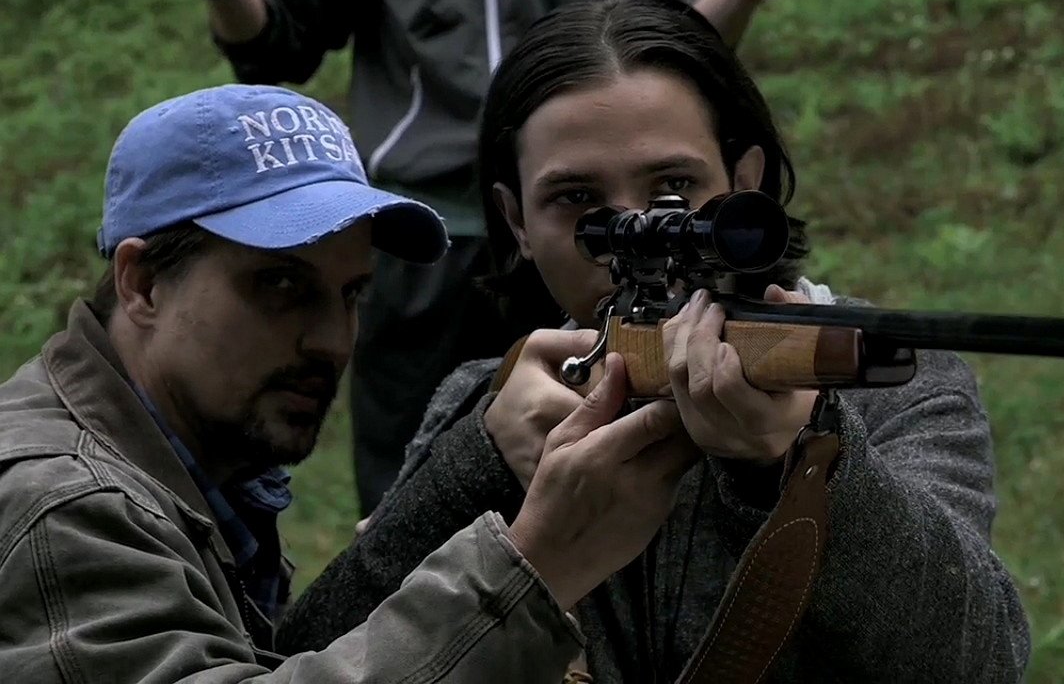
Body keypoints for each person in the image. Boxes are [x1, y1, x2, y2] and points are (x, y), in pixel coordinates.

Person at [273, 0, 1034, 682]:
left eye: (674, 191)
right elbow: (307, 654)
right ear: (516, 223)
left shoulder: (893, 380)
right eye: (578, 202)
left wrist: (801, 460)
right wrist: (478, 463)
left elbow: (979, 658)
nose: (638, 234)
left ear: (747, 185)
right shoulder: (489, 400)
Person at [0, 83, 704, 682]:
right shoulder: (65, 507)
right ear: (143, 282)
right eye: (279, 285)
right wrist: (538, 563)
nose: (334, 341)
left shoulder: (197, 463)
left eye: (351, 294)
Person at [170, 0, 810, 517]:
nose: (630, 219)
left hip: (552, 219)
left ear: (743, 179)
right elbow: (278, 43)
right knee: (433, 455)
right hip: (423, 235)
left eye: (672, 185)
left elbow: (671, 44)